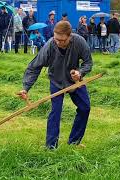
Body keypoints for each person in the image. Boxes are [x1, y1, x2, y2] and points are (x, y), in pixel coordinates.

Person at [17, 21, 93, 149]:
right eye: (56, 39)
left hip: (74, 82)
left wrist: (80, 73)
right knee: (55, 112)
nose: (58, 43)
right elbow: (34, 67)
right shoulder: (49, 46)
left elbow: (88, 63)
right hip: (56, 81)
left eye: (62, 40)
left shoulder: (79, 42)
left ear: (70, 36)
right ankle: (51, 146)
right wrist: (25, 88)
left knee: (85, 108)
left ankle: (74, 142)